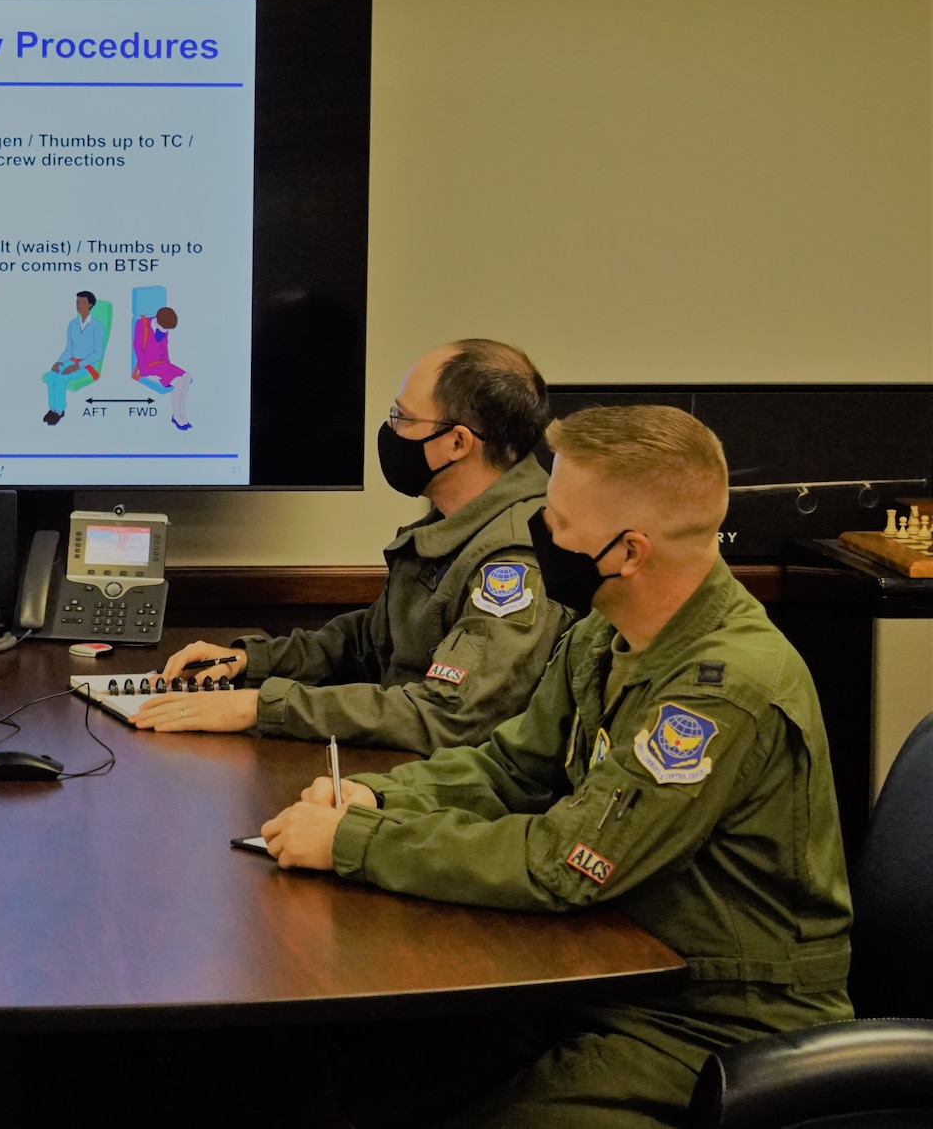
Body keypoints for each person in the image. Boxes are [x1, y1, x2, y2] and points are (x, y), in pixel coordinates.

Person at [258, 405, 853, 1127]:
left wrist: (356, 844)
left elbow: (565, 862)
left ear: (630, 551)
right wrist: (378, 797)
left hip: (709, 1019)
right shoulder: (607, 628)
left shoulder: (723, 692)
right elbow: (510, 767)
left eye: (559, 523)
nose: (539, 534)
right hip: (600, 973)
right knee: (355, 1062)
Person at [136, 339, 572, 754]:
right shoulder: (459, 521)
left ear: (457, 443)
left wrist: (262, 705)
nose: (390, 430)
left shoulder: (515, 560)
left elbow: (446, 716)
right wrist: (251, 661)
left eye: (403, 418)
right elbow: (370, 644)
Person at [41, 289, 104, 425]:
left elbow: (98, 353)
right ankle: (52, 409)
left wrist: (78, 366)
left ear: (90, 304)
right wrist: (59, 362)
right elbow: (69, 349)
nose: (78, 305)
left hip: (87, 365)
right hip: (71, 361)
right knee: (52, 376)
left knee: (61, 379)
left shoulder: (97, 326)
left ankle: (59, 411)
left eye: (82, 302)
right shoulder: (72, 324)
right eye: (77, 302)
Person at [131, 305, 193, 430]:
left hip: (163, 363)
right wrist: (146, 373)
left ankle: (181, 413)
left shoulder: (164, 326)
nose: (166, 330)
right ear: (158, 321)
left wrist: (169, 366)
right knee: (179, 382)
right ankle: (176, 415)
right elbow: (138, 348)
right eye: (164, 328)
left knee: (187, 377)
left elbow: (164, 347)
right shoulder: (141, 324)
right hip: (149, 365)